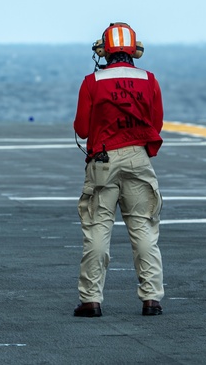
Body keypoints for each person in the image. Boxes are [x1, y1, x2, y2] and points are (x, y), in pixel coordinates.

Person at [72, 22, 165, 318]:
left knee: (98, 229)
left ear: (105, 49)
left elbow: (82, 129)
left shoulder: (92, 81)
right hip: (138, 158)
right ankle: (151, 299)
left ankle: (91, 301)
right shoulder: (149, 79)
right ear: (134, 49)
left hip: (103, 161)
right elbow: (156, 124)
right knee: (143, 229)